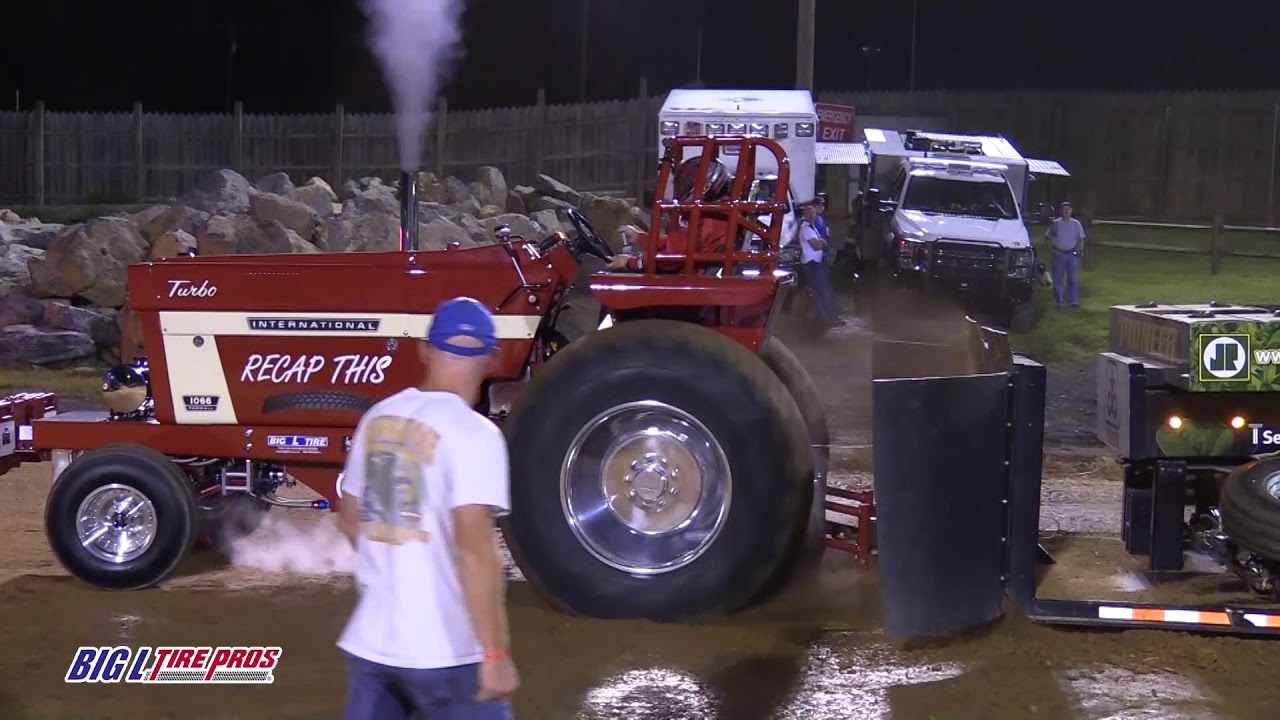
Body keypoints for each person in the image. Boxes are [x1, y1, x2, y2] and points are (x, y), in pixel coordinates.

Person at [336, 296, 518, 720]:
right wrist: (494, 652)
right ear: (490, 358)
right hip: (446, 653)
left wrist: (394, 570)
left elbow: (349, 520)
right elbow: (475, 552)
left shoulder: (379, 418)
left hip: (372, 645)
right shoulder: (475, 434)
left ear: (425, 349)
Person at [607, 156, 733, 272]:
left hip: (693, 281)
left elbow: (671, 257)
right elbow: (677, 243)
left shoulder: (708, 222)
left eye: (687, 183)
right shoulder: (715, 214)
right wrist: (639, 237)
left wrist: (629, 262)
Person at [797, 198, 837, 326]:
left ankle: (823, 316)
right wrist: (822, 242)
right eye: (811, 213)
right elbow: (817, 245)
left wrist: (821, 242)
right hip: (812, 264)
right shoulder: (806, 229)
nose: (813, 215)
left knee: (820, 289)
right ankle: (823, 318)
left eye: (814, 213)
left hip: (814, 263)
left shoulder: (811, 227)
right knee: (820, 290)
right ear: (806, 215)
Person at [1044, 200, 1086, 308]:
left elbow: (1081, 238)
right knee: (1058, 279)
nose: (1066, 211)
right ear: (1060, 211)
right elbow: (1048, 238)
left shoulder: (1076, 224)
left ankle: (1073, 301)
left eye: (1068, 209)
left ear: (1071, 211)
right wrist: (1052, 251)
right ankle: (1060, 302)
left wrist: (1078, 251)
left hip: (1072, 254)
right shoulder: (1056, 224)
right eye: (1064, 209)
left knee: (1072, 278)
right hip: (1059, 254)